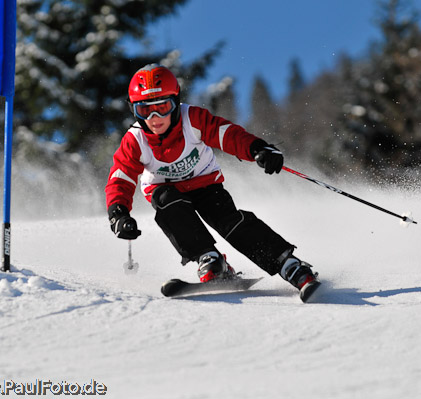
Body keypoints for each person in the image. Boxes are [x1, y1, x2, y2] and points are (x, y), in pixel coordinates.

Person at [105, 63, 319, 297]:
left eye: (163, 107)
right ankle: (209, 258)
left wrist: (257, 148)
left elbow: (226, 134)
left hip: (205, 184)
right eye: (145, 111)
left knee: (229, 222)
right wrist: (118, 213)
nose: (155, 118)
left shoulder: (191, 119)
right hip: (165, 190)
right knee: (168, 204)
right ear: (134, 111)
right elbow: (121, 176)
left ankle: (288, 265)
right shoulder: (135, 139)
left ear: (175, 102)